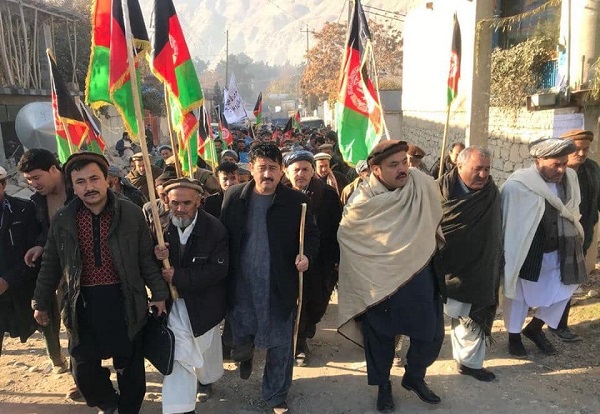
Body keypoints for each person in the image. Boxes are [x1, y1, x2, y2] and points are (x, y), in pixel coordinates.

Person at [32, 152, 169, 414]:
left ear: (107, 179)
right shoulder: (63, 219)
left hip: (125, 300)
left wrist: (159, 293)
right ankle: (108, 403)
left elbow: (145, 257)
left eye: (94, 178)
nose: (89, 187)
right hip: (82, 304)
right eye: (80, 181)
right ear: (73, 186)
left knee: (129, 366)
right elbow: (51, 262)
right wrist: (40, 301)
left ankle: (127, 410)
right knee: (83, 369)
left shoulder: (130, 213)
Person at [338, 140, 445, 413]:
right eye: (393, 165)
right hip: (379, 283)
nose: (402, 169)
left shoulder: (420, 184)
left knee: (429, 333)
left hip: (418, 272)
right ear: (375, 169)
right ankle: (383, 386)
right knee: (380, 340)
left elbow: (435, 216)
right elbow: (347, 236)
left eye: (405, 162)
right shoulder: (362, 202)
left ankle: (414, 376)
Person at [220, 142, 319, 414]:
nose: (267, 174)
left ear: (282, 171)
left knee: (280, 342)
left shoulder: (297, 202)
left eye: (273, 168)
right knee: (241, 332)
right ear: (250, 169)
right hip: (241, 284)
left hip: (279, 284)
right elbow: (221, 235)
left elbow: (311, 236)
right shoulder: (233, 196)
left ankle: (276, 394)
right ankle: (245, 353)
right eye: (261, 167)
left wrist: (306, 256)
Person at [501, 137, 586, 358]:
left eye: (564, 163)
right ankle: (514, 336)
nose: (561, 169)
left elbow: (573, 210)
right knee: (518, 295)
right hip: (528, 250)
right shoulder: (518, 185)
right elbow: (508, 223)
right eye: (555, 164)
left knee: (565, 290)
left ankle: (535, 328)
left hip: (561, 247)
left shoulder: (570, 178)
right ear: (539, 160)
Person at [154, 178, 229, 414]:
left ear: (199, 200)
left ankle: (207, 378)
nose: (180, 209)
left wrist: (179, 276)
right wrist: (155, 252)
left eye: (187, 203)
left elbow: (218, 270)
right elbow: (146, 263)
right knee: (181, 355)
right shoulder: (159, 228)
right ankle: (180, 408)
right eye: (175, 203)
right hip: (173, 305)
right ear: (166, 201)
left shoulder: (215, 229)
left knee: (204, 346)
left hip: (204, 304)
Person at [435, 147, 502, 382]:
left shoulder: (491, 193)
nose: (483, 175)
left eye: (487, 169)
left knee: (470, 319)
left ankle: (469, 363)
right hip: (441, 268)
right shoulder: (437, 192)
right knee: (423, 320)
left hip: (478, 269)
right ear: (459, 166)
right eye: (477, 169)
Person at [16, 149, 79, 397]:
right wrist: (40, 245)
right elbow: (47, 233)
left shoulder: (79, 187)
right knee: (71, 324)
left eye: (36, 177)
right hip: (62, 273)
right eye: (29, 180)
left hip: (94, 269)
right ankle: (80, 376)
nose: (34, 184)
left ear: (54, 169)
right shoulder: (37, 202)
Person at [283, 150, 342, 366]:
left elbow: (337, 229)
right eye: (296, 169)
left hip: (321, 262)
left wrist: (336, 260)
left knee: (316, 304)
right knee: (297, 303)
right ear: (287, 172)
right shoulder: (280, 195)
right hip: (290, 262)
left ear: (312, 171)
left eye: (305, 169)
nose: (300, 174)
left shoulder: (327, 195)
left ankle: (307, 328)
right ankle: (298, 346)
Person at [552, 129, 600, 342]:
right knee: (552, 280)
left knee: (569, 282)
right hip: (553, 238)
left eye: (585, 149)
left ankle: (559, 325)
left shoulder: (592, 169)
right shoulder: (553, 170)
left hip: (581, 235)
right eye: (576, 149)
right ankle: (533, 324)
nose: (581, 154)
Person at [0, 166, 40, 357]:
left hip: (19, 283)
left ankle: (56, 357)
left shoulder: (23, 209)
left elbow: (32, 251)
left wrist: (8, 280)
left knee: (42, 321)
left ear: (4, 184)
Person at [143, 168, 177, 235]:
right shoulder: (149, 208)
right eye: (162, 195)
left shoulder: (184, 209)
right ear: (157, 191)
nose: (166, 199)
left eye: (170, 195)